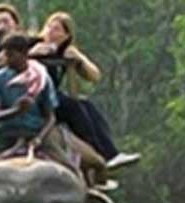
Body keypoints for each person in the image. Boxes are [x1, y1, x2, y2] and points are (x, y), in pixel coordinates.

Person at [30, 12, 139, 170]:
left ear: (66, 35)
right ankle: (99, 152)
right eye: (48, 27)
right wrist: (33, 54)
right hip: (38, 96)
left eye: (57, 29)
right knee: (74, 107)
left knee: (86, 104)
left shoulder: (66, 53)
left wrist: (80, 58)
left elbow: (95, 76)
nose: (50, 32)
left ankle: (112, 152)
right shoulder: (34, 45)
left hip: (54, 96)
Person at [0, 33, 59, 146]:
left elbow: (51, 117)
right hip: (6, 133)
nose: (6, 59)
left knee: (68, 162)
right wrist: (17, 110)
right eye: (5, 55)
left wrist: (39, 139)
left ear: (24, 54)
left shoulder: (42, 77)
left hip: (35, 132)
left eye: (10, 55)